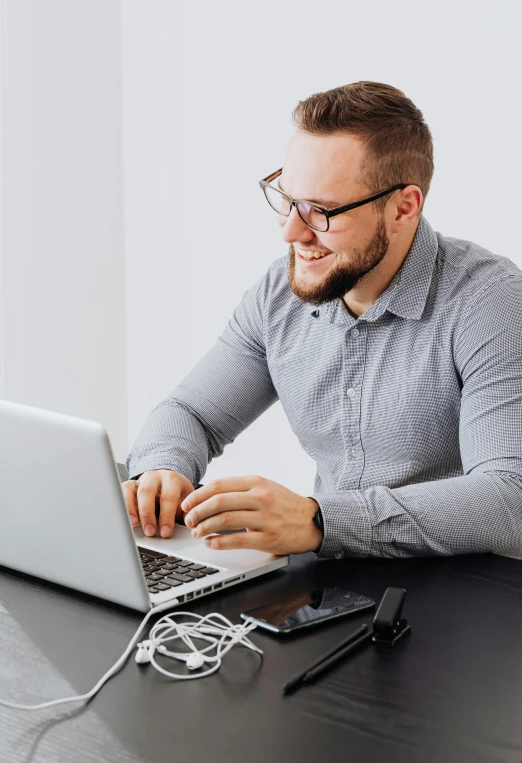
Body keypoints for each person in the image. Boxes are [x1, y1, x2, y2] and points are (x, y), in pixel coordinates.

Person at [123, 80, 522, 559]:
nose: (291, 231)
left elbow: (509, 499)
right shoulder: (279, 293)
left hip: (470, 597)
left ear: (403, 208)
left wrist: (319, 520)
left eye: (322, 211)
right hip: (331, 585)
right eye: (287, 199)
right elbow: (192, 414)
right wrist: (160, 471)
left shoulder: (491, 304)